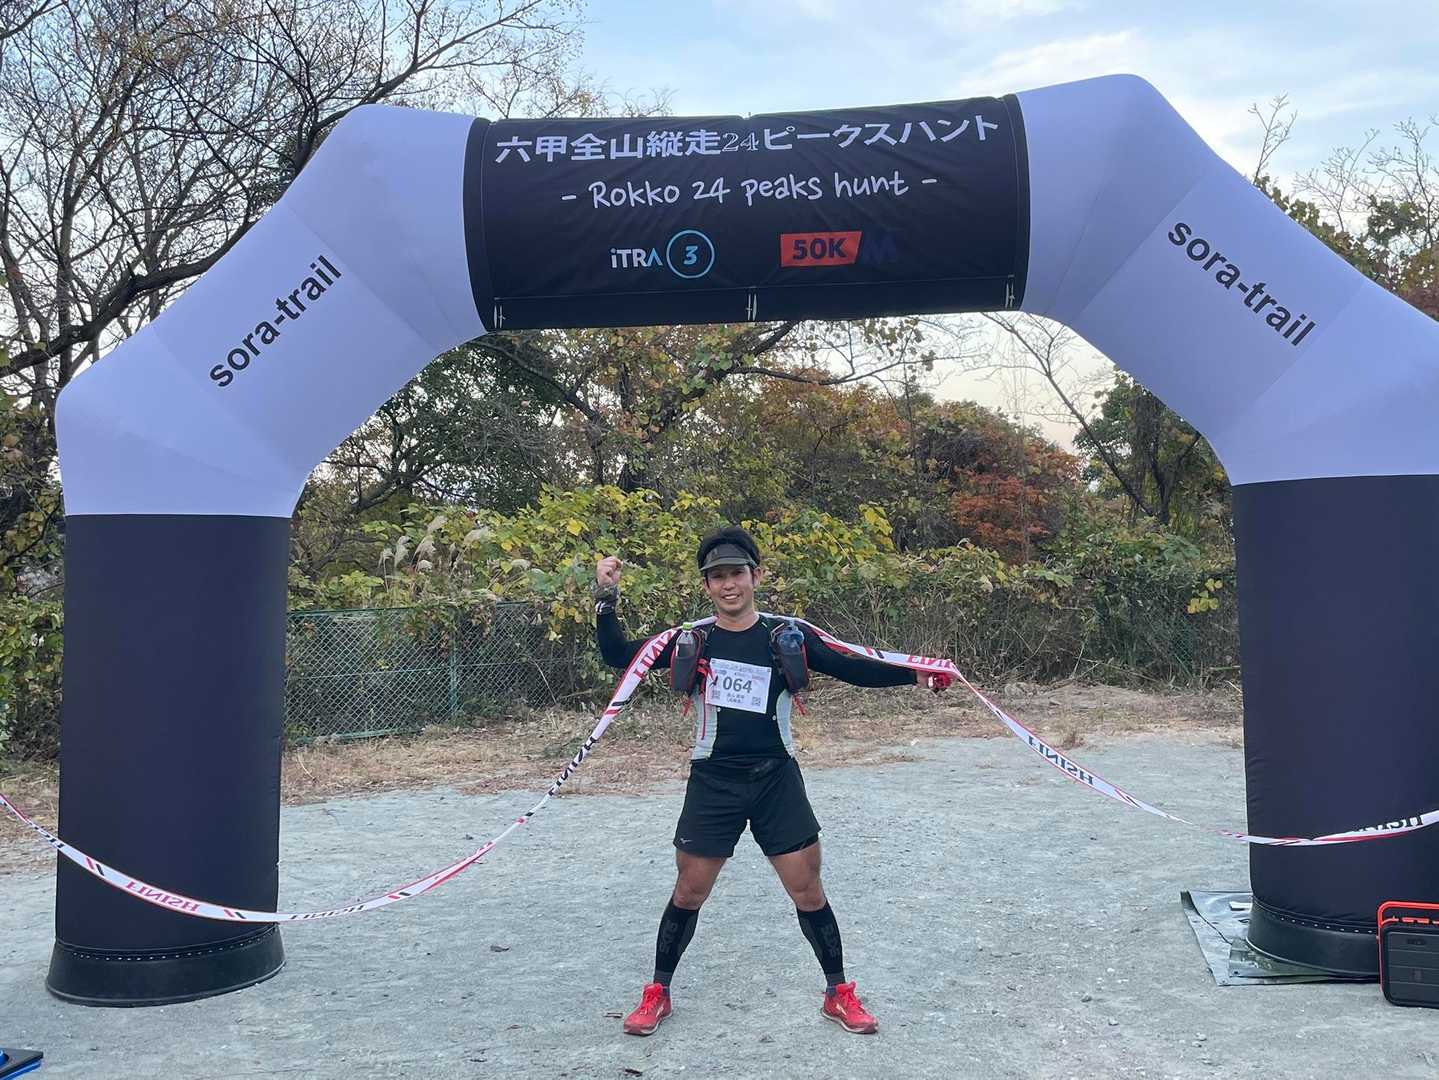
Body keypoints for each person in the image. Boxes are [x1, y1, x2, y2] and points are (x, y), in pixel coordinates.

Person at [594, 525, 951, 1037]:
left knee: (808, 890)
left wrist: (914, 673)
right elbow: (618, 655)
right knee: (689, 890)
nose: (728, 585)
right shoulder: (690, 639)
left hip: (776, 780)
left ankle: (838, 993)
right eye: (717, 577)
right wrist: (606, 597)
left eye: (736, 573)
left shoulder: (788, 636)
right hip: (714, 781)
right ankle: (658, 993)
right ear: (707, 585)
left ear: (755, 576)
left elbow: (850, 668)